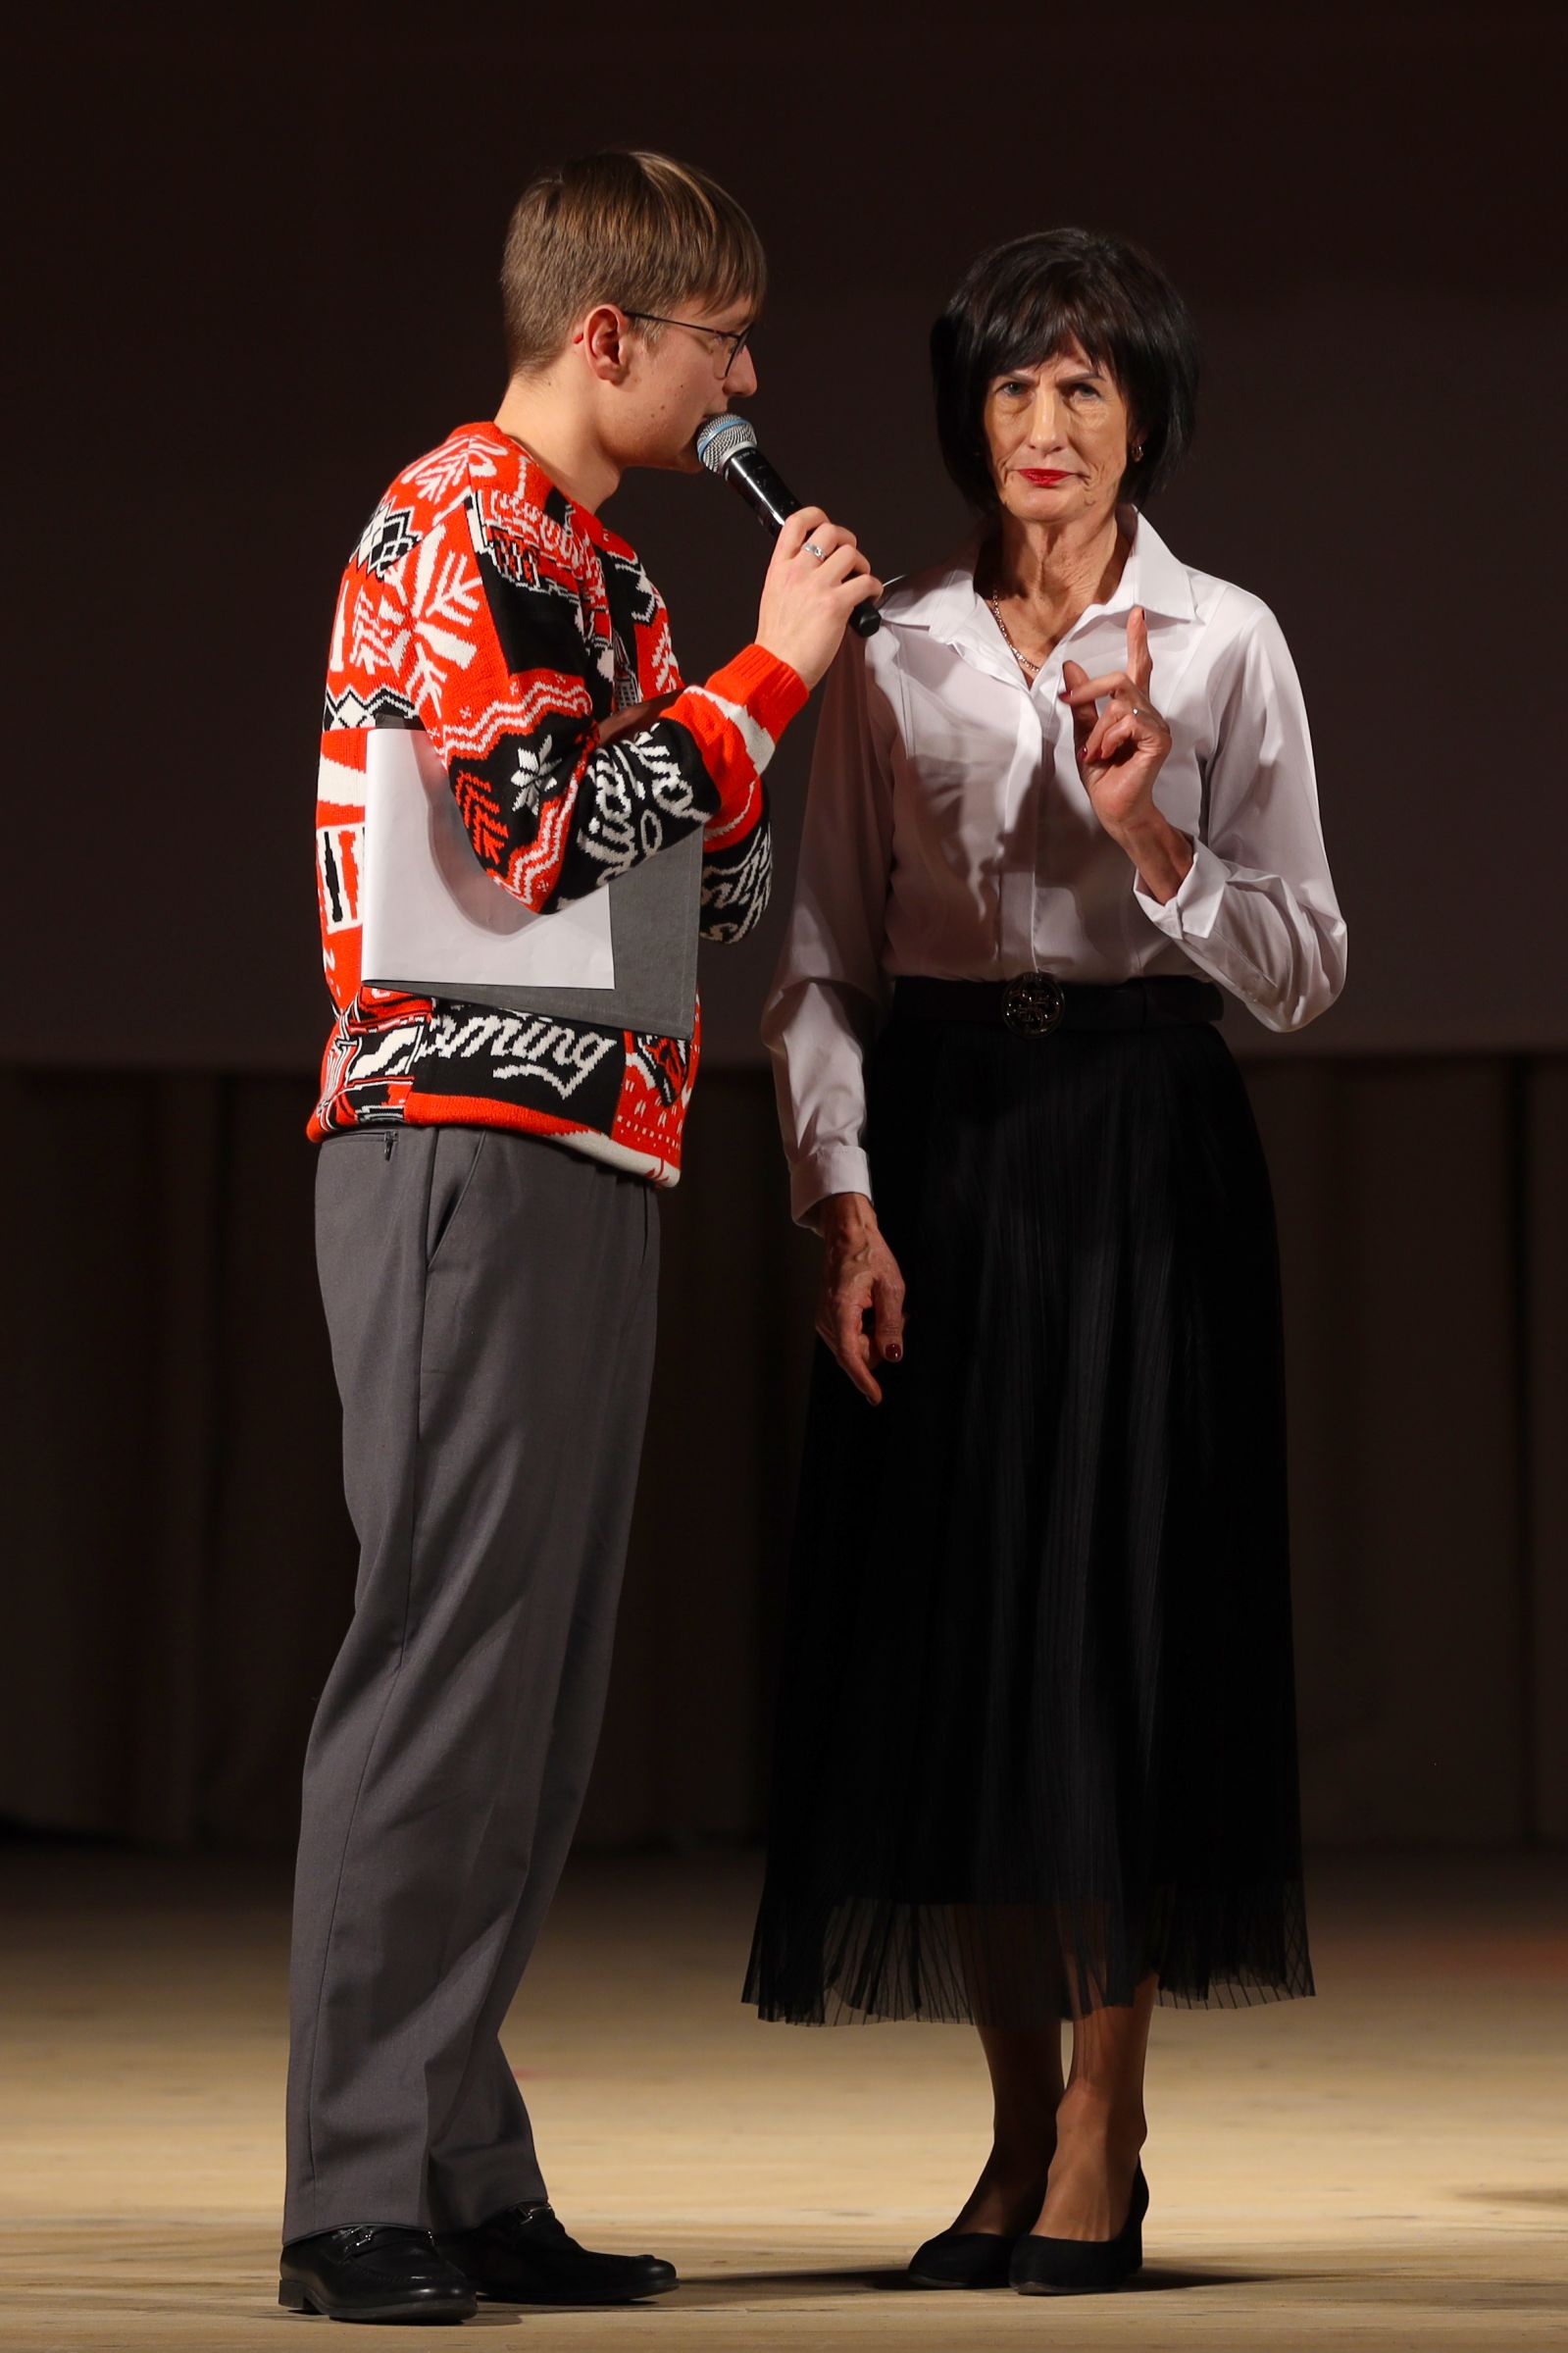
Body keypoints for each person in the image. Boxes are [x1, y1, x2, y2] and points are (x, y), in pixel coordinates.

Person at [283, 149, 879, 2326]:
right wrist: (766, 676)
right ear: (608, 336)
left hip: (593, 1142)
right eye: (726, 342)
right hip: (458, 1135)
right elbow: (533, 832)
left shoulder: (603, 570)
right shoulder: (460, 520)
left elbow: (685, 891)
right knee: (444, 1658)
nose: (748, 381)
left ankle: (457, 2164)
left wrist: (768, 713)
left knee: (530, 1699)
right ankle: (352, 2193)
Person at [744, 227, 1345, 2296]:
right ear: (968, 416)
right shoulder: (892, 648)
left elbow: (1304, 964)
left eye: (1085, 384)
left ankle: (1106, 2129)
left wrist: (1152, 831)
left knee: (1112, 1640)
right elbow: (819, 962)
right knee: (965, 1641)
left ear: (1144, 416)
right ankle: (1011, 2132)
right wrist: (842, 1202)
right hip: (941, 1144)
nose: (1047, 422)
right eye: (1012, 384)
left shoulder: (1227, 643)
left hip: (1139, 1136)